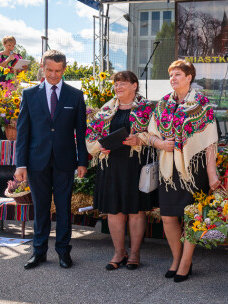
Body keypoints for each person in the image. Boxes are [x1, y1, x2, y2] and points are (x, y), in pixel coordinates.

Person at [140, 59, 220, 283]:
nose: (173, 79)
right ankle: (176, 258)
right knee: (167, 217)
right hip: (169, 170)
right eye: (171, 75)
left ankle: (185, 262)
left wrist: (212, 173)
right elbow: (151, 133)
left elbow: (210, 142)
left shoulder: (202, 104)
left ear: (189, 78)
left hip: (194, 170)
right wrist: (160, 144)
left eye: (177, 75)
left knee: (191, 216)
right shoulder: (164, 103)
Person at [15, 50, 88, 270]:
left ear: (64, 69)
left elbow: (81, 132)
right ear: (42, 66)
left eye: (58, 71)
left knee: (64, 208)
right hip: (37, 162)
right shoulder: (29, 95)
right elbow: (22, 132)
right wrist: (21, 164)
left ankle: (64, 253)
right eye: (49, 70)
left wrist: (82, 161)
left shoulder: (75, 96)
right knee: (41, 208)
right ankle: (38, 253)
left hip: (65, 162)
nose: (53, 75)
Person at [85, 71, 156, 270]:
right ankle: (118, 252)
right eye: (116, 84)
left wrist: (139, 139)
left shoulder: (147, 108)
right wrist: (100, 147)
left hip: (136, 164)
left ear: (135, 85)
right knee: (114, 210)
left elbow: (157, 132)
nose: (118, 87)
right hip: (111, 164)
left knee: (135, 210)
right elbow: (91, 133)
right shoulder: (107, 108)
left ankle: (134, 254)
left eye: (123, 83)